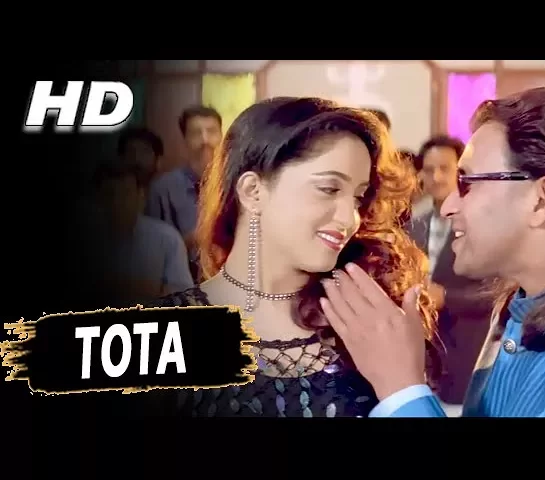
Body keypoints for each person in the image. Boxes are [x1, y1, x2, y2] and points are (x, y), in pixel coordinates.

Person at [320, 87, 545, 417]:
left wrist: (402, 388)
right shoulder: (521, 307)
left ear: (543, 198)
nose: (449, 206)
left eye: (467, 183)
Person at [140, 96, 441, 417]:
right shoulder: (161, 333)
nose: (349, 218)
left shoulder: (369, 326)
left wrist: (405, 385)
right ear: (252, 191)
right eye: (329, 189)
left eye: (358, 198)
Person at [408, 135, 494, 406]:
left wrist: (446, 297)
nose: (436, 177)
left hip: (465, 353)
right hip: (422, 359)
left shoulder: (483, 227)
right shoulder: (413, 226)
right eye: (429, 169)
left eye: (445, 168)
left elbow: (497, 293)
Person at [92, 162, 194, 305]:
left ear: (141, 196)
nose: (117, 202)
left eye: (125, 194)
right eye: (109, 194)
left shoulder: (167, 240)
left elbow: (185, 297)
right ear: (97, 200)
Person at [145, 105, 223, 282]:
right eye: (196, 133)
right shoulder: (162, 189)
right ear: (184, 141)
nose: (205, 140)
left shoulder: (238, 184)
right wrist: (191, 239)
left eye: (211, 132)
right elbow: (151, 252)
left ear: (221, 137)